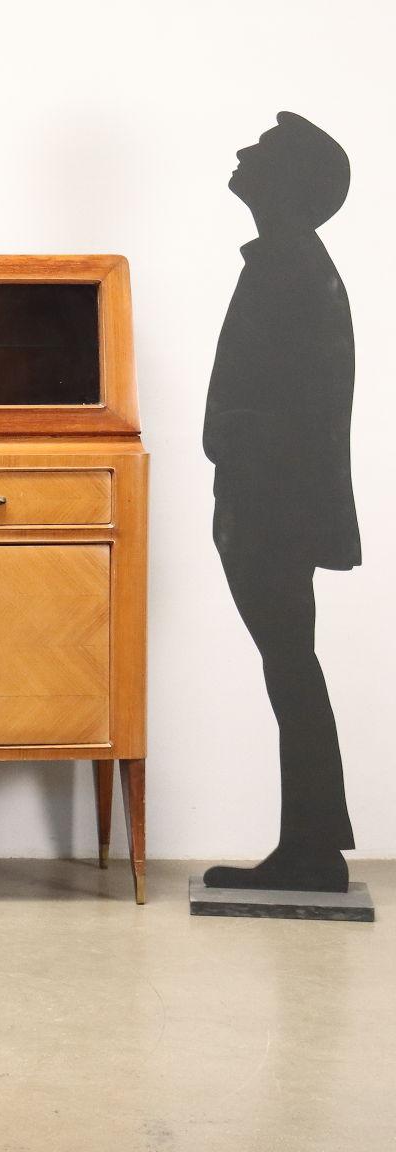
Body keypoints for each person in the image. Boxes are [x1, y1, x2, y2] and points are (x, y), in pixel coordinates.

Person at [203, 111, 360, 893]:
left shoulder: (293, 266)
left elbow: (308, 403)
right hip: (268, 501)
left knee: (290, 667)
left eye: (261, 151)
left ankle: (313, 848)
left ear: (289, 182)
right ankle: (312, 843)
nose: (241, 153)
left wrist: (234, 445)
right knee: (290, 667)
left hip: (274, 507)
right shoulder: (288, 262)